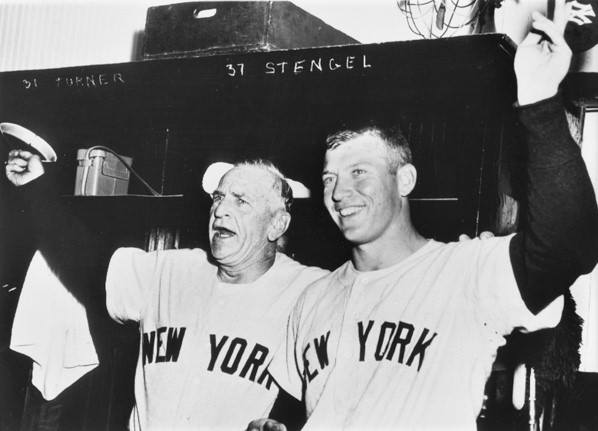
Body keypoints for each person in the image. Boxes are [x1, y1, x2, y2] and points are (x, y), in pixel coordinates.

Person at [249, 4, 598, 431]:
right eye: (328, 178)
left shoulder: (463, 272)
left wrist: (540, 100)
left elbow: (569, 248)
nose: (338, 193)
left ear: (405, 180)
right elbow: (290, 405)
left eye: (359, 173)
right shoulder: (312, 298)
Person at [5, 157, 328, 429]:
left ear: (277, 225)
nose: (220, 211)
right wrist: (36, 188)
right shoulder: (171, 271)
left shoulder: (312, 291)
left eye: (240, 201)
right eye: (218, 198)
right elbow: (89, 260)